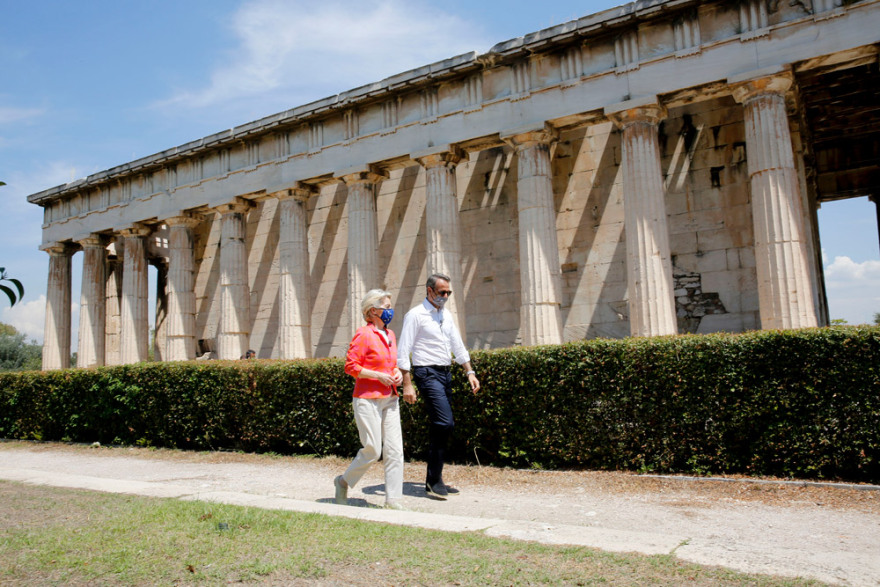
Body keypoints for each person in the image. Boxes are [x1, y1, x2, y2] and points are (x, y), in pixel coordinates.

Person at [397, 273, 480, 500]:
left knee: (442, 427)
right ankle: (434, 481)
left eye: (448, 293)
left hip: (446, 373)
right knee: (444, 422)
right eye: (442, 292)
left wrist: (469, 371)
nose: (445, 296)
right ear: (429, 291)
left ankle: (434, 480)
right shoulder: (415, 315)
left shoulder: (447, 315)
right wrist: (407, 384)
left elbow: (457, 344)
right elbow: (403, 351)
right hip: (426, 373)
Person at [334, 289, 406, 510]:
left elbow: (391, 364)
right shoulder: (363, 334)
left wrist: (397, 373)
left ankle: (393, 500)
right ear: (373, 311)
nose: (390, 310)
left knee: (395, 450)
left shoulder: (391, 335)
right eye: (386, 306)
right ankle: (343, 481)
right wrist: (377, 376)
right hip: (367, 399)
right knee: (373, 449)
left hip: (390, 397)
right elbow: (351, 366)